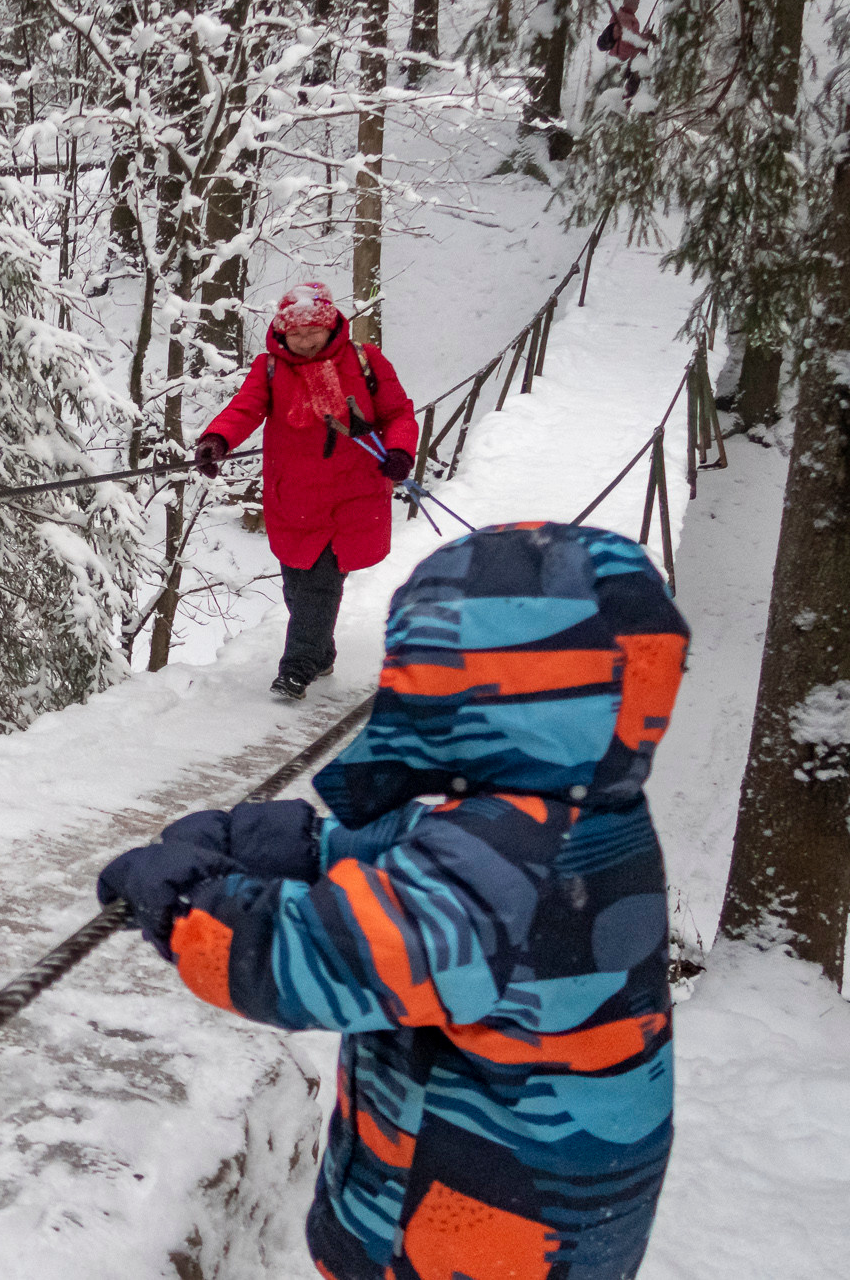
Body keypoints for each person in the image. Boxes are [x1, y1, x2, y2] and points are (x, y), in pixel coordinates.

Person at [98, 522, 689, 1280]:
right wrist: (298, 845)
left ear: (480, 689)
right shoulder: (584, 815)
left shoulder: (507, 863)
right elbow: (426, 860)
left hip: (467, 1244)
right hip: (551, 1218)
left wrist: (187, 901)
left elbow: (311, 962)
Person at [195, 280, 417, 700]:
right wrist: (218, 440)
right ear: (282, 332)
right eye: (296, 333)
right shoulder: (270, 368)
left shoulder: (365, 360)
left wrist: (400, 451)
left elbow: (398, 413)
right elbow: (245, 408)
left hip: (352, 496)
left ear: (331, 325)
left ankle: (297, 669)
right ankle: (322, 652)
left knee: (319, 584)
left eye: (313, 330)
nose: (305, 340)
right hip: (293, 499)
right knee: (297, 587)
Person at [601, 0, 656, 100]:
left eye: (638, 5)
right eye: (636, 5)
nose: (637, 7)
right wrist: (644, 38)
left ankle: (626, 94)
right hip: (622, 55)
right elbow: (628, 37)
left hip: (622, 54)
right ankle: (625, 96)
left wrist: (644, 37)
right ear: (630, 5)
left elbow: (632, 35)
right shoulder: (625, 17)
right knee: (636, 73)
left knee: (631, 74)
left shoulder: (624, 15)